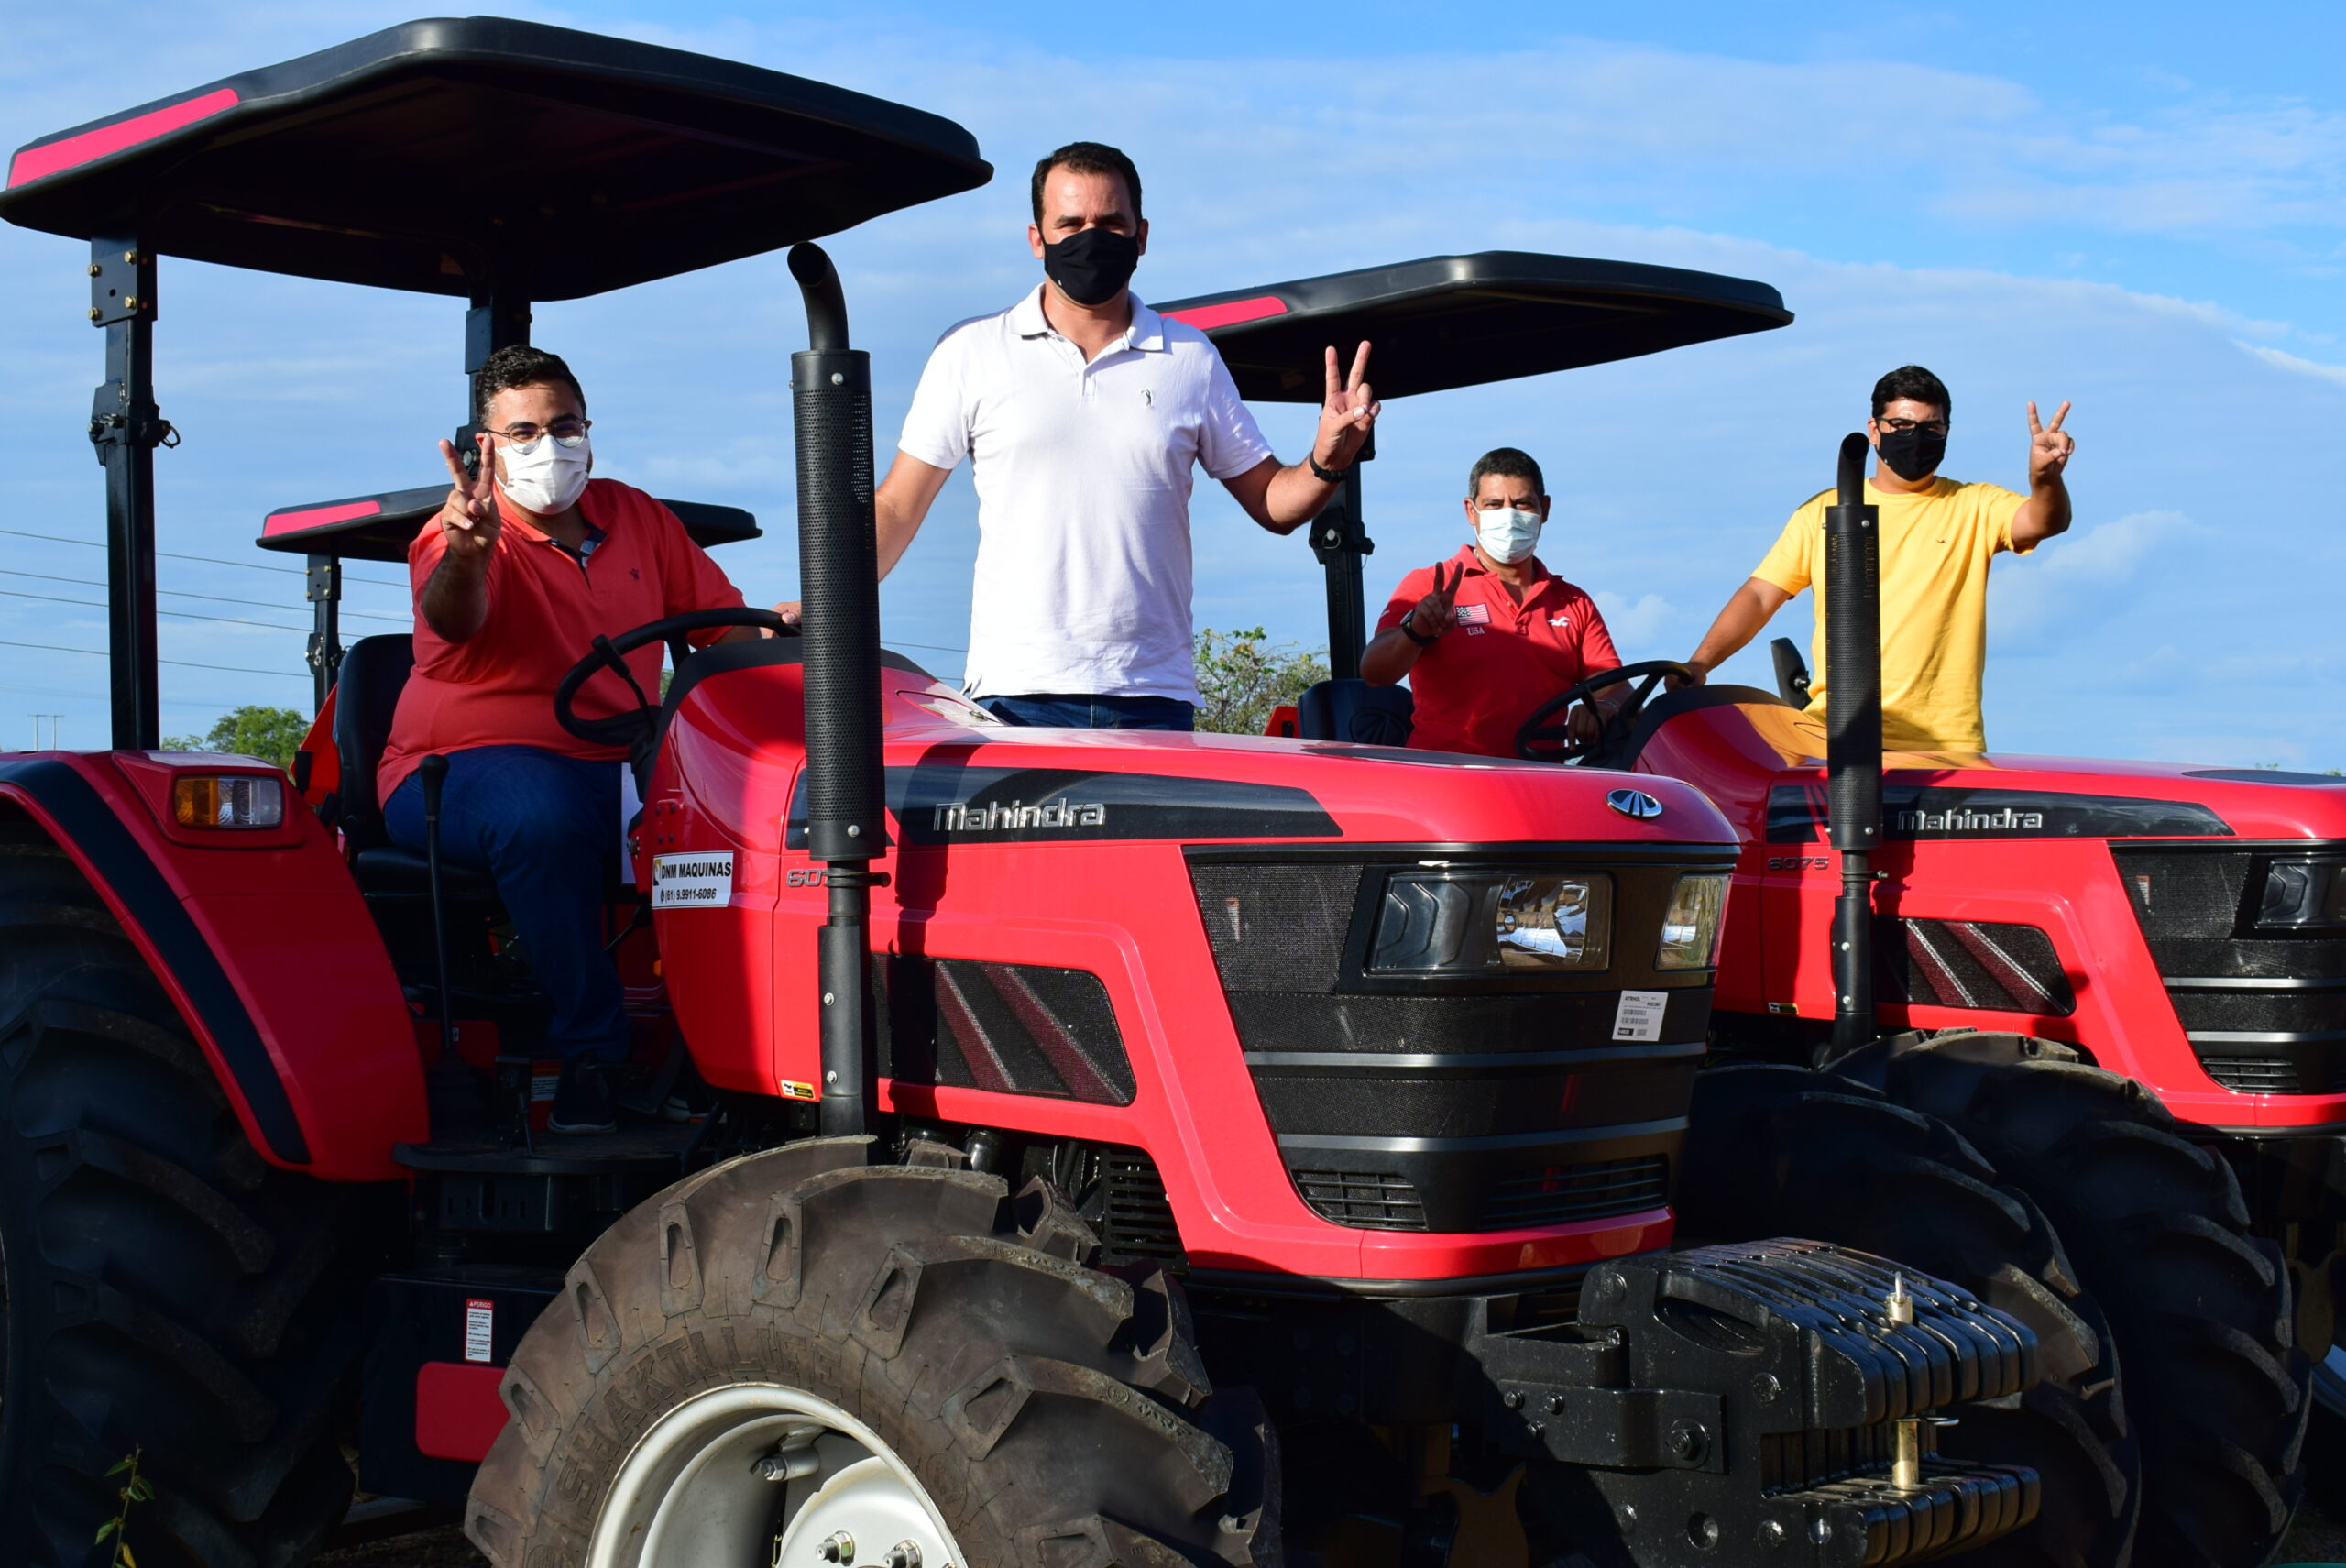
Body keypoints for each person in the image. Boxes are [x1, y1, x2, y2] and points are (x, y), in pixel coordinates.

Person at [802, 140, 1378, 729]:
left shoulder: (1189, 357)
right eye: (1071, 223)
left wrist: (1327, 459)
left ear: (1142, 235)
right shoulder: (970, 352)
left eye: (1111, 222)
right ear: (1037, 238)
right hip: (1014, 694)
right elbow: (897, 506)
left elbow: (1273, 502)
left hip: (1153, 698)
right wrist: (825, 597)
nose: (1091, 237)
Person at [378, 345, 760, 1134]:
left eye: (563, 425)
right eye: (521, 432)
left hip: (617, 759)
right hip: (454, 775)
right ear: (484, 446)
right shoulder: (455, 541)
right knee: (540, 809)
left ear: (588, 428)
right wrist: (467, 551)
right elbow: (452, 615)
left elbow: (723, 630)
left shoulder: (640, 518)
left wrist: (792, 637)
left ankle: (731, 1048)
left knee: (756, 814)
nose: (547, 446)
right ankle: (592, 1054)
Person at [1678, 365, 2075, 752]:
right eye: (1902, 426)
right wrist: (1700, 663)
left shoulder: (1974, 505)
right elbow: (1762, 595)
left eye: (1931, 428)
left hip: (1945, 744)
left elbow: (2044, 520)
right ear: (1874, 430)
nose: (1916, 437)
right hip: (1835, 735)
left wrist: (2046, 479)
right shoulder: (1823, 512)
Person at [1363, 447, 1625, 758]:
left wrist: (1604, 707)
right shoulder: (1431, 585)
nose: (1510, 515)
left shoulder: (1573, 602)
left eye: (1522, 503)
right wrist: (1415, 632)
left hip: (1542, 779)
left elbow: (1616, 686)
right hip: (1446, 777)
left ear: (1545, 508)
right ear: (1471, 511)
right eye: (1495, 504)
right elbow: (1374, 673)